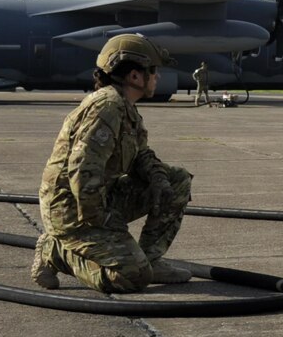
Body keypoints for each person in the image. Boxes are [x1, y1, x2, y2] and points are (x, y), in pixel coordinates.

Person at [29, 34, 196, 292]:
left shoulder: (125, 108)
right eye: (153, 71)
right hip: (73, 210)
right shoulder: (107, 107)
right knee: (132, 277)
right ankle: (56, 250)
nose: (157, 77)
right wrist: (102, 219)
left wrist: (159, 180)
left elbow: (141, 153)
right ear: (134, 76)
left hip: (97, 197)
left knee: (177, 179)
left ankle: (150, 259)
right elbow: (82, 170)